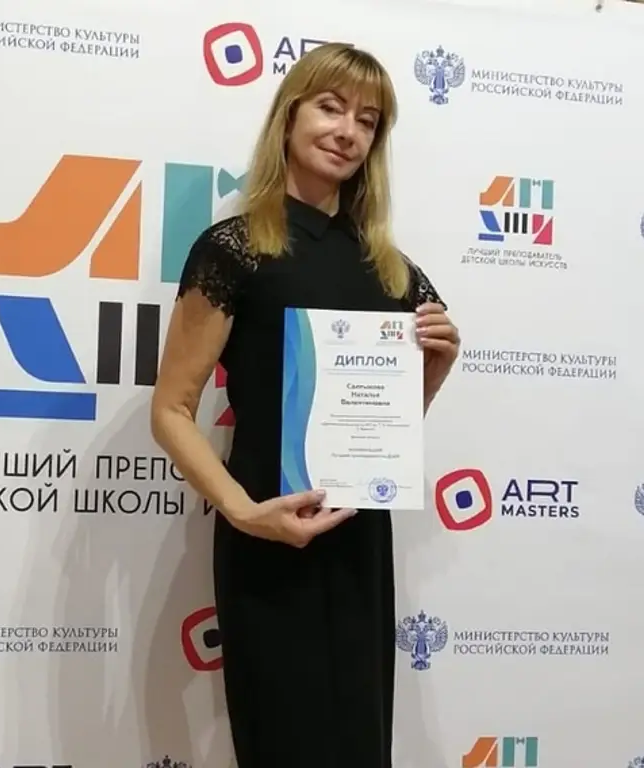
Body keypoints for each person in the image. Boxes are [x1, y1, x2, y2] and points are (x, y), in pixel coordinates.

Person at [149, 42, 461, 768]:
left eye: (367, 120)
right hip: (268, 534)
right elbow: (171, 408)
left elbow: (384, 429)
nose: (347, 131)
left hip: (358, 544)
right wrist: (244, 512)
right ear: (289, 116)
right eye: (330, 107)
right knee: (283, 744)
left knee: (358, 747)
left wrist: (436, 370)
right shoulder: (233, 249)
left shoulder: (392, 271)